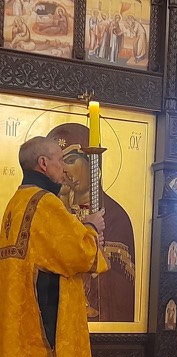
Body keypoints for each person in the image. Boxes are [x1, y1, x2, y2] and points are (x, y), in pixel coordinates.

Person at [0, 136, 109, 357]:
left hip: (19, 321)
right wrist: (91, 227)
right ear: (43, 164)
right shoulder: (45, 203)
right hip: (44, 326)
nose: (64, 168)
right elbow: (81, 254)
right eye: (60, 160)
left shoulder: (15, 203)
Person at [47, 123, 136, 323]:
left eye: (71, 161)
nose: (64, 170)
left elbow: (123, 285)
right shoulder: (54, 210)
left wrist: (95, 259)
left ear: (93, 164)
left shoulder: (115, 216)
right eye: (59, 163)